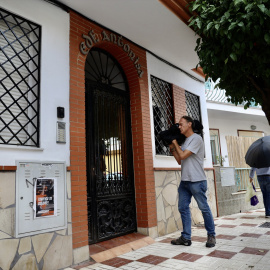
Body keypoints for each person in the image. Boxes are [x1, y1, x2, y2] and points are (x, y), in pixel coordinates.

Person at [169, 116, 216, 248]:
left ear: (189, 124)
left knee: (204, 208)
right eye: (178, 125)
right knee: (183, 208)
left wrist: (175, 142)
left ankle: (211, 235)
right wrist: (172, 146)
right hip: (185, 181)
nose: (179, 127)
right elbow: (180, 160)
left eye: (181, 124)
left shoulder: (197, 139)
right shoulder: (185, 142)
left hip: (197, 181)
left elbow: (183, 155)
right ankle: (186, 237)